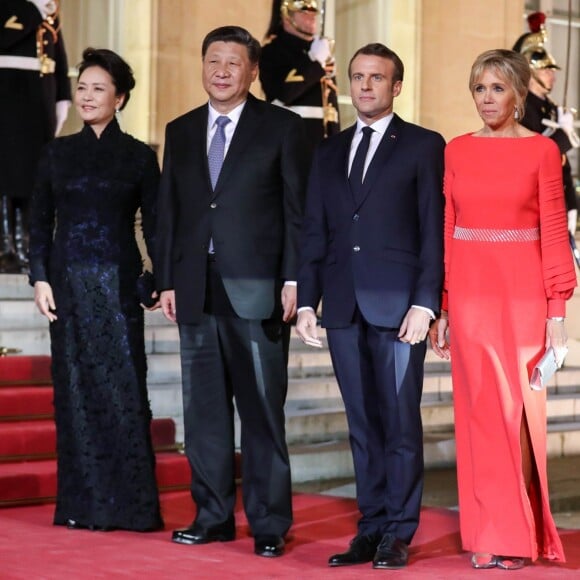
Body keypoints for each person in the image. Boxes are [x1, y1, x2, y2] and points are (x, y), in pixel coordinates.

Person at [155, 26, 308, 557]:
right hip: (196, 289)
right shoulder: (180, 129)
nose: (221, 71)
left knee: (263, 411)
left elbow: (297, 214)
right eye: (213, 60)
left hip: (259, 290)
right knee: (204, 413)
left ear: (253, 71)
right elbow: (169, 214)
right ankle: (213, 515)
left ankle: (269, 523)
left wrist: (294, 279)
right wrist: (167, 280)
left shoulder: (283, 128)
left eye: (233, 62)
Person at [296, 43, 445, 569]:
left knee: (400, 423)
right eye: (357, 76)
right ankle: (371, 526)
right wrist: (307, 301)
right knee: (361, 424)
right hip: (340, 305)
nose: (364, 86)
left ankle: (399, 532)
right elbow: (316, 230)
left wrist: (426, 305)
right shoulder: (328, 151)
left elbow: (432, 231)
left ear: (396, 86)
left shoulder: (424, 146)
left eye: (376, 78)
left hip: (400, 308)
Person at [429, 49, 575, 569]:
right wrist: (442, 306)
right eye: (478, 89)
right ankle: (487, 531)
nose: (486, 99)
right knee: (477, 417)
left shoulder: (541, 151)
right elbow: (447, 230)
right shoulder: (456, 150)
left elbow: (555, 231)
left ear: (517, 93)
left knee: (517, 416)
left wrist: (557, 310)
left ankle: (519, 533)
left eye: (496, 88)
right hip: (468, 295)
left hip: (522, 298)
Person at [29, 47, 163, 532]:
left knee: (124, 391)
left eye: (97, 89)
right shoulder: (56, 153)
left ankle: (131, 507)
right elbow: (39, 222)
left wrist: (157, 279)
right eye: (81, 87)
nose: (86, 96)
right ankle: (81, 506)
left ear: (120, 97)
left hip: (120, 286)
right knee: (75, 394)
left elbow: (157, 224)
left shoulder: (139, 156)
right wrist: (39, 276)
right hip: (66, 286)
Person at [0, 0, 71, 273]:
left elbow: (59, 58)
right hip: (7, 98)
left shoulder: (49, 11)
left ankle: (29, 247)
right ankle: (6, 248)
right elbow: (6, 38)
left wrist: (62, 96)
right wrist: (32, 10)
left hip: (39, 101)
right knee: (6, 177)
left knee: (34, 178)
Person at [512, 11, 579, 236]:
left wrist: (571, 201)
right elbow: (534, 155)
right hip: (535, 202)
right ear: (530, 72)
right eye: (546, 69)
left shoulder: (549, 106)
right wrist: (564, 135)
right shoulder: (522, 108)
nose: (552, 75)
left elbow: (562, 165)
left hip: (556, 199)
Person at [260, 0, 339, 159]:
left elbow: (330, 110)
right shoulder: (271, 51)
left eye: (313, 12)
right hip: (291, 149)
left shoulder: (318, 50)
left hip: (324, 151)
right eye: (303, 11)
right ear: (286, 14)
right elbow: (285, 93)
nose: (311, 16)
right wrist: (314, 61)